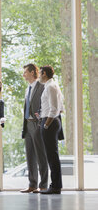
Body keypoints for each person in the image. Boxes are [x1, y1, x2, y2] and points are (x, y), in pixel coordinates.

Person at [20, 64, 48, 193]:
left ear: (32, 72)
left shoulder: (41, 86)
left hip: (37, 124)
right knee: (30, 155)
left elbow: (45, 104)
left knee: (41, 155)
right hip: (28, 124)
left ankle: (43, 185)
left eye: (25, 72)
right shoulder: (28, 89)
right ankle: (32, 184)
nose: (24, 74)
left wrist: (41, 121)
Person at [37, 65, 64, 194]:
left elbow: (54, 109)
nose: (38, 76)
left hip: (50, 122)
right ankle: (55, 185)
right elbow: (58, 106)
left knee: (52, 155)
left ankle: (55, 186)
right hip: (49, 120)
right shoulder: (51, 86)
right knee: (51, 155)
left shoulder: (51, 87)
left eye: (40, 73)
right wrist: (42, 115)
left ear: (45, 74)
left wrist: (46, 124)